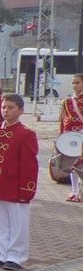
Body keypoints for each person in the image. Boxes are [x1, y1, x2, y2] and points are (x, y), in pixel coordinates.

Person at [0, 94, 38, 271]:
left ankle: (15, 256)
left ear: (21, 110)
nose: (6, 111)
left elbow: (29, 165)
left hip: (14, 184)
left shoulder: (26, 133)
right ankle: (0, 253)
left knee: (18, 222)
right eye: (4, 107)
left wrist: (26, 190)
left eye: (11, 107)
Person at [58, 73, 83, 202]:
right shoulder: (67, 102)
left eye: (77, 82)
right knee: (73, 165)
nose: (74, 85)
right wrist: (62, 136)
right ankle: (74, 191)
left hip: (82, 135)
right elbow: (63, 120)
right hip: (71, 138)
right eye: (73, 83)